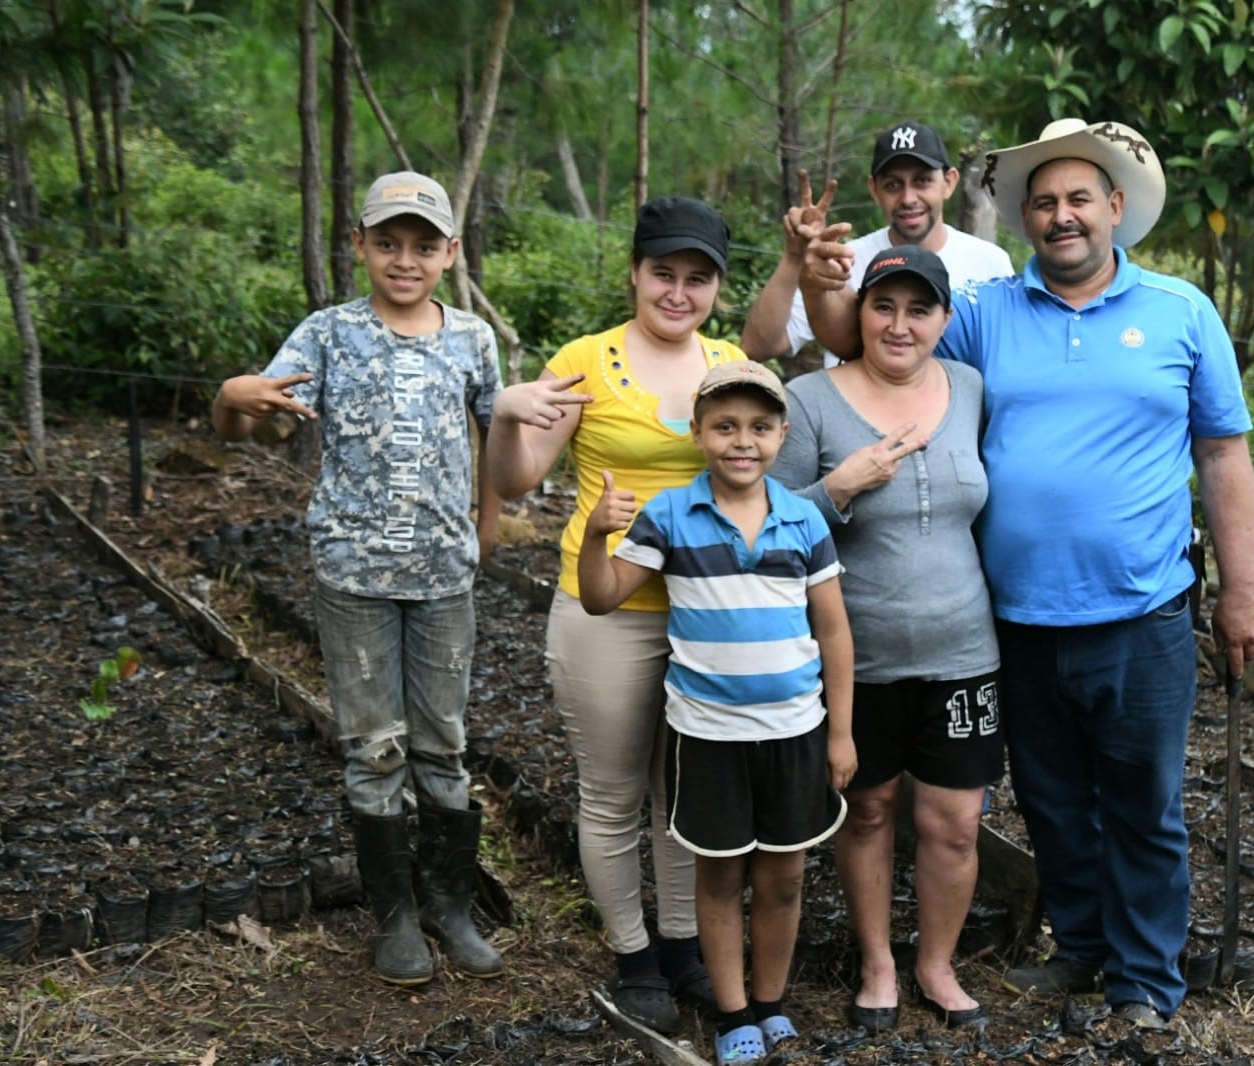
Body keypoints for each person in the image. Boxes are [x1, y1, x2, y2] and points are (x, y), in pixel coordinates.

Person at [799, 118, 1254, 1028]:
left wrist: (1241, 589)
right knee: (1052, 800)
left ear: (1115, 210)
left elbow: (1221, 452)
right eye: (1044, 202)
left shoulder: (1180, 311)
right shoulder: (985, 314)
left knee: (1141, 803)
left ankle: (1142, 979)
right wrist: (820, 287)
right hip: (1014, 614)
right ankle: (1082, 947)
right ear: (1026, 218)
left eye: (1078, 200)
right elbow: (880, 350)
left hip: (1142, 609)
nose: (1061, 217)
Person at [211, 171, 505, 986]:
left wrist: (485, 532)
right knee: (374, 750)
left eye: (422, 245)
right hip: (352, 576)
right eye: (387, 243)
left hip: (445, 577)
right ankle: (395, 916)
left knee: (443, 745)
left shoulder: (473, 339)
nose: (403, 260)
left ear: (449, 252)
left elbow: (497, 442)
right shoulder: (327, 334)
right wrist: (230, 400)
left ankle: (450, 905)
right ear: (360, 246)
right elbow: (249, 418)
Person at [483, 197, 747, 1033]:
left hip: (704, 615)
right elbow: (520, 479)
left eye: (696, 278)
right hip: (607, 607)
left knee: (682, 796)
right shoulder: (584, 362)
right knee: (611, 793)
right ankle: (631, 953)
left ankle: (680, 946)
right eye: (662, 273)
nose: (678, 292)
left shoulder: (728, 363)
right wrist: (502, 416)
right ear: (634, 272)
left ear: (716, 289)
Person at [576, 361, 855, 1066]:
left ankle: (770, 1002)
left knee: (784, 876)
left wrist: (841, 730)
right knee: (721, 873)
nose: (742, 442)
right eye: (724, 426)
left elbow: (834, 631)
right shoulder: (670, 515)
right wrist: (593, 536)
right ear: (698, 432)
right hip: (707, 735)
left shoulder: (802, 518)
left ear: (781, 435)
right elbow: (602, 598)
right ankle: (731, 1012)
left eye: (759, 428)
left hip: (794, 729)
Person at [771, 247, 1000, 1032]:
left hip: (964, 651)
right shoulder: (809, 400)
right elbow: (770, 522)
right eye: (883, 306)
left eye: (918, 309)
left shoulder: (968, 389)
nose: (899, 325)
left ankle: (935, 963)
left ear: (942, 319)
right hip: (856, 658)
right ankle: (876, 963)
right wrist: (840, 486)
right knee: (866, 812)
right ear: (859, 312)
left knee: (954, 822)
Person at [741, 121, 1012, 368]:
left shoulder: (990, 263)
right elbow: (758, 346)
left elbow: (1005, 360)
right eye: (893, 185)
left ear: (949, 182)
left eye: (922, 181)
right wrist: (794, 256)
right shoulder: (844, 261)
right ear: (874, 190)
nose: (908, 198)